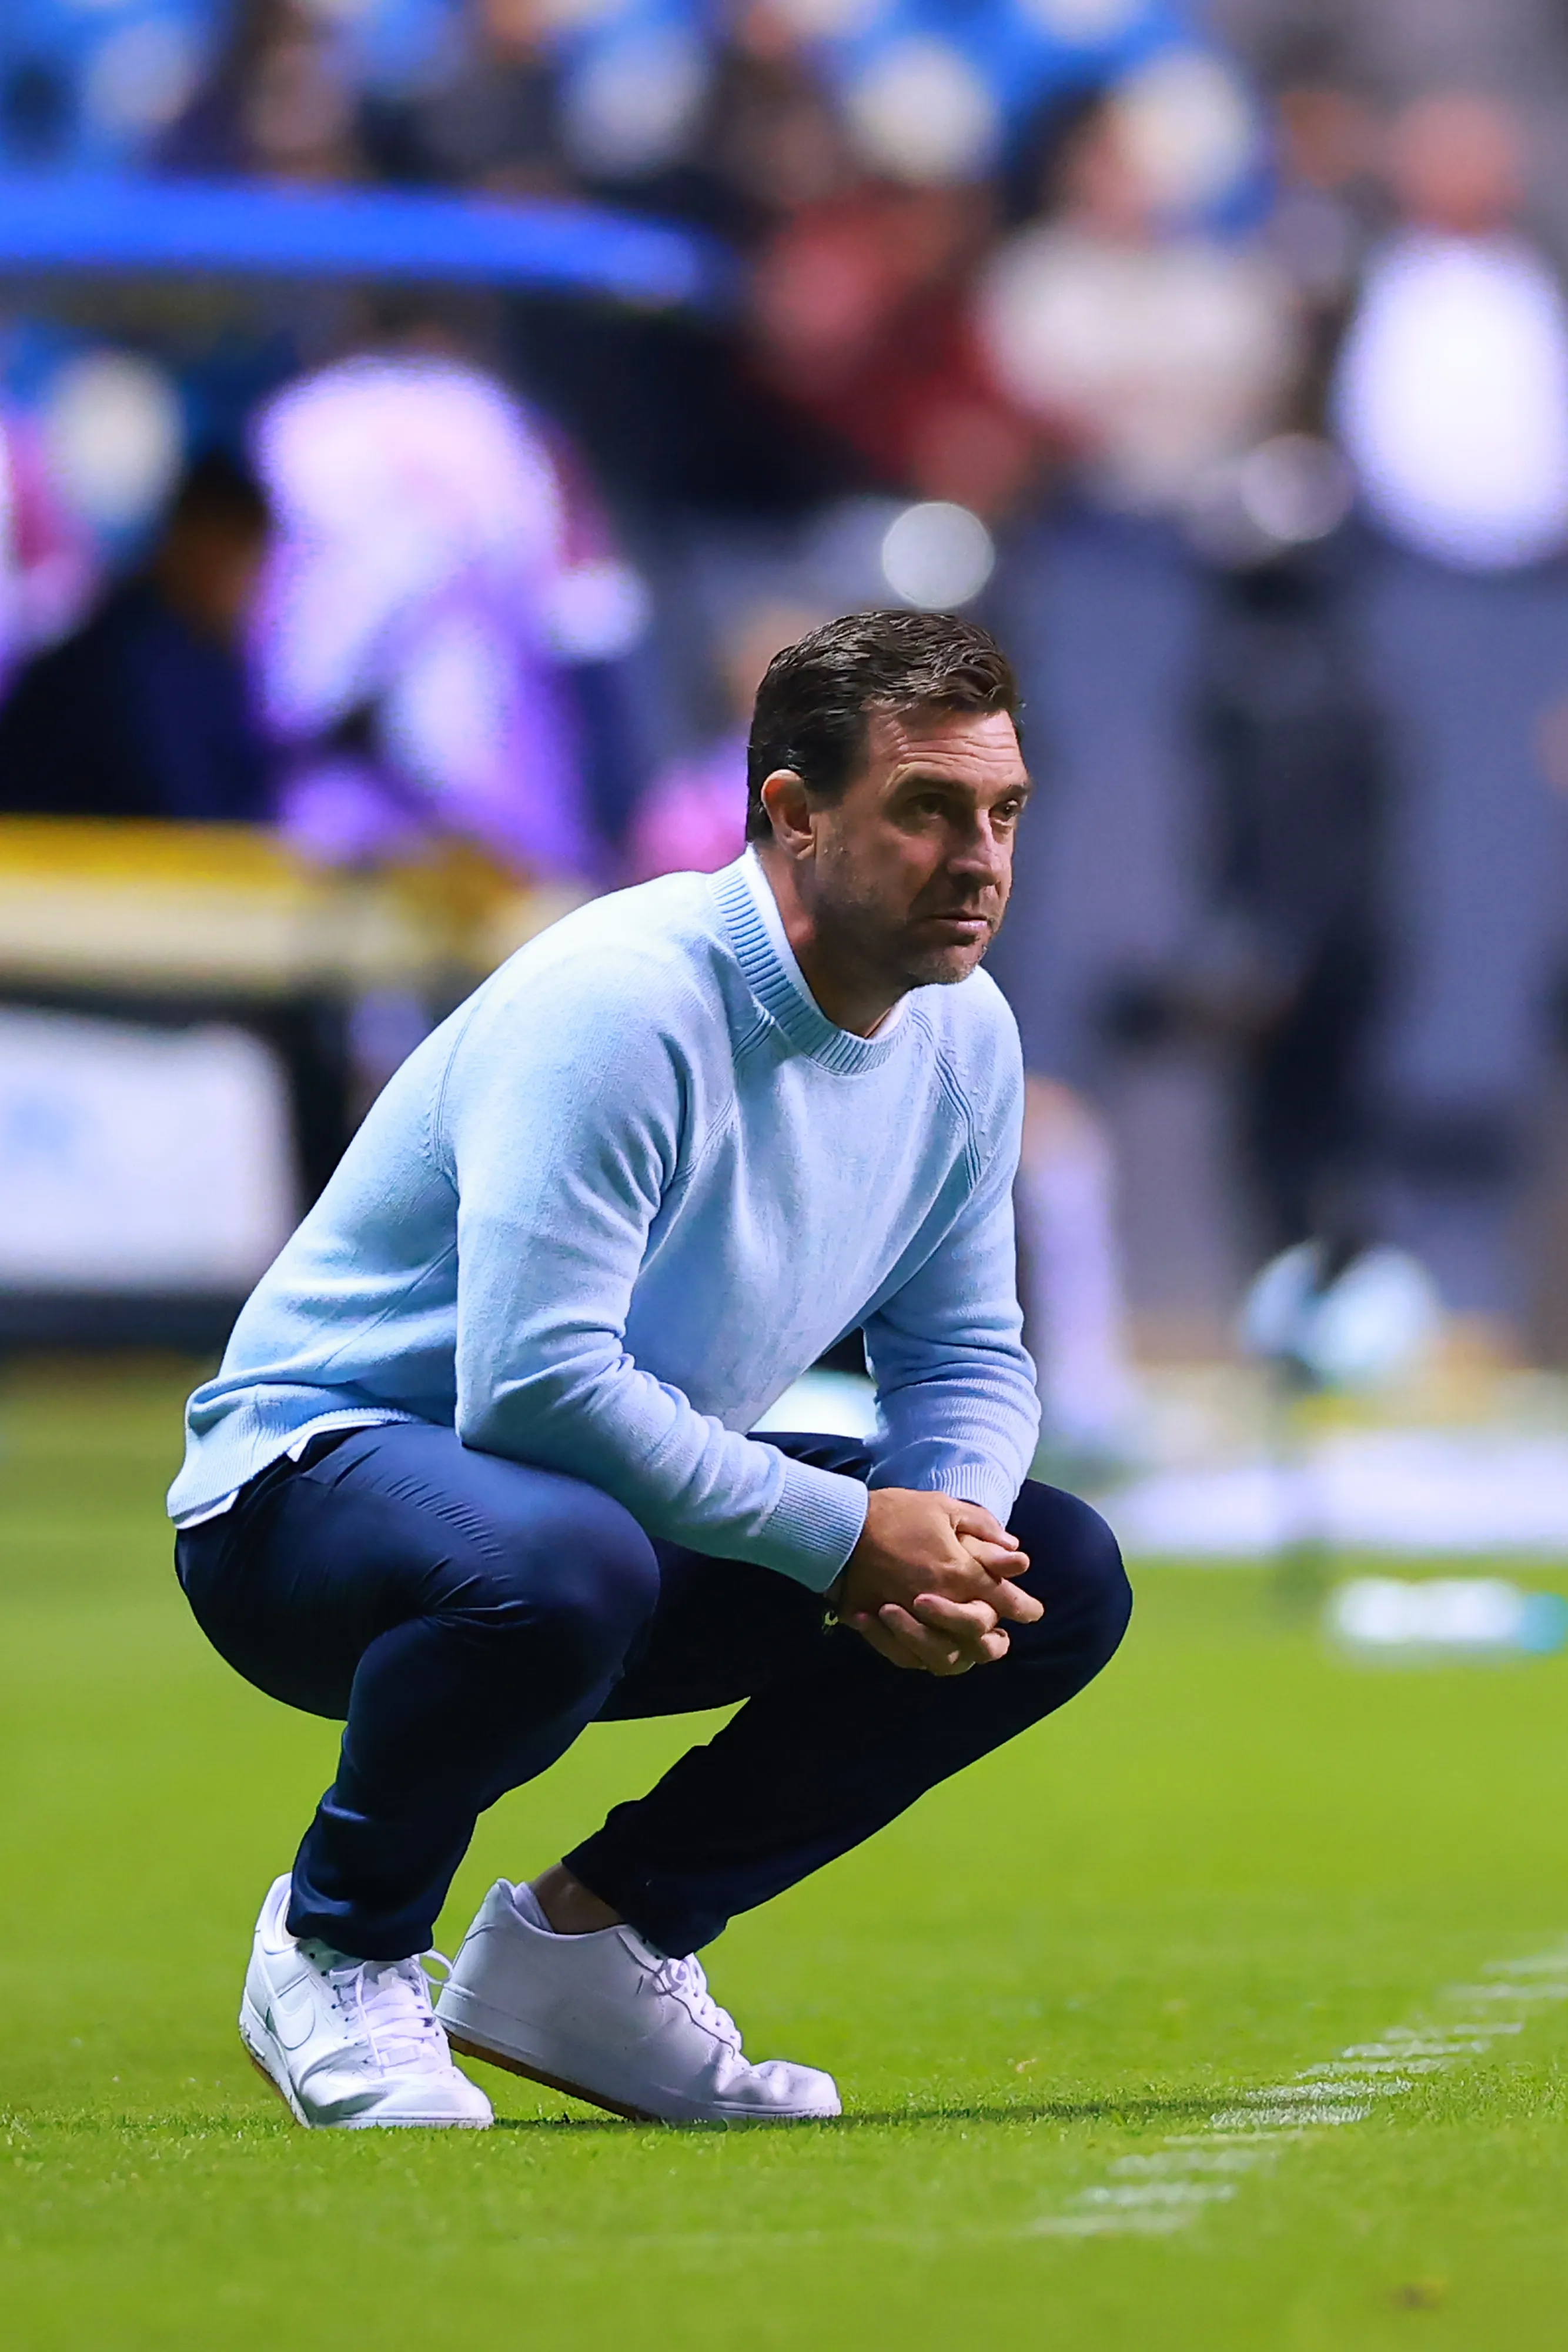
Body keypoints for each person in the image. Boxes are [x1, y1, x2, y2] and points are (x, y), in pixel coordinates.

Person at [168, 610, 1130, 2131]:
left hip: (585, 1517)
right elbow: (531, 1387)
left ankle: (598, 1943)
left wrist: (942, 1534)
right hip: (299, 1501)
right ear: (792, 813)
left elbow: (962, 1351)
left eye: (1003, 812)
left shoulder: (967, 1036)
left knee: (1050, 1573)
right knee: (567, 1561)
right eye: (928, 809)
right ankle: (337, 1941)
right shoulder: (624, 1000)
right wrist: (842, 1533)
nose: (980, 859)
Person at [0, 450, 273, 823]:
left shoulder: (205, 654)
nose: (248, 584)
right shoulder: (126, 664)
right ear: (191, 539)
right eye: (239, 558)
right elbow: (187, 817)